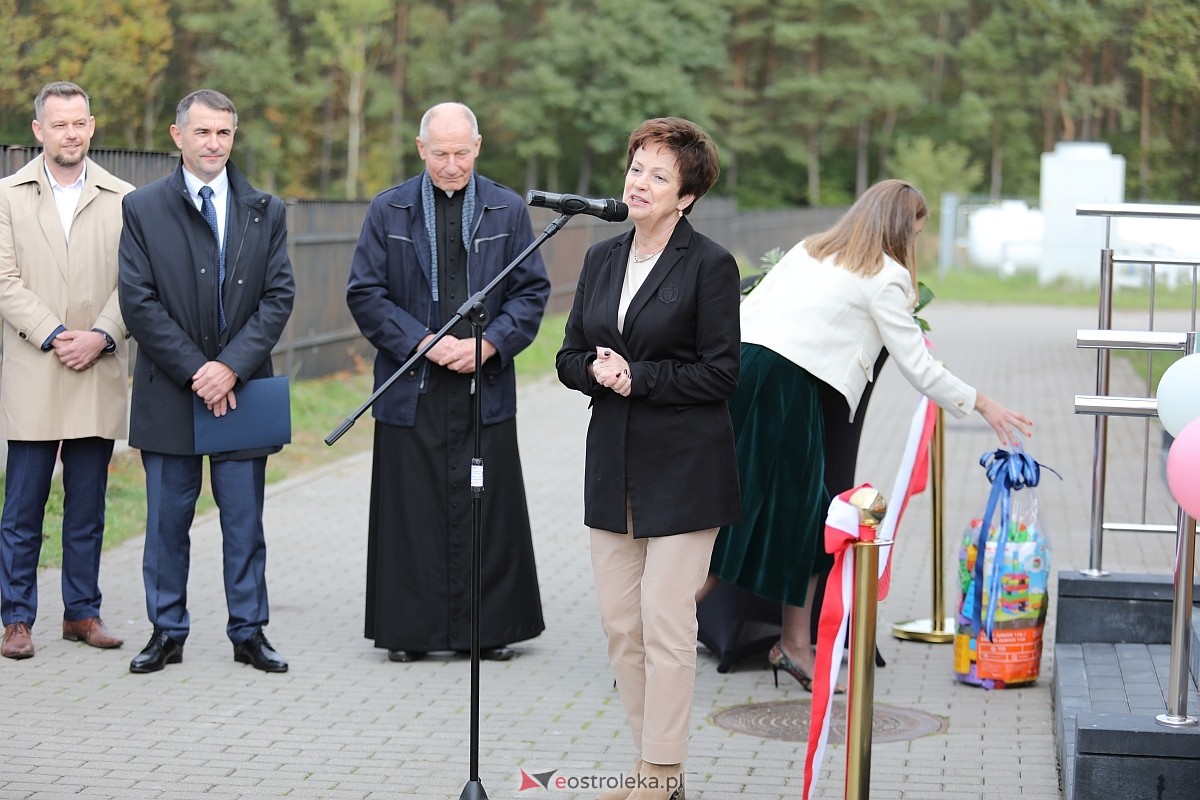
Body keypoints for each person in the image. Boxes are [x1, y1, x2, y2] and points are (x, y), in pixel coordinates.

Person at [707, 179, 1033, 691]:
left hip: (744, 373)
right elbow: (918, 367)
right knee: (748, 522)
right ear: (901, 229)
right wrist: (984, 403)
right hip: (784, 388)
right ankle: (655, 634)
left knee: (778, 515)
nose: (917, 242)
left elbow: (745, 313)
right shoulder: (887, 277)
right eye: (917, 232)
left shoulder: (810, 249)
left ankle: (790, 644)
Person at [556, 117, 741, 800]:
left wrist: (641, 377)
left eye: (659, 176)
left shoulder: (710, 265)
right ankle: (649, 766)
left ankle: (661, 775)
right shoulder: (602, 258)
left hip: (686, 469)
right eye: (637, 168)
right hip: (614, 465)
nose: (640, 183)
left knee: (666, 622)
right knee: (621, 627)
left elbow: (722, 373)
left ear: (686, 196)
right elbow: (567, 354)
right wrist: (593, 371)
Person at [346, 101, 547, 663]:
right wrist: (421, 342)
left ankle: (490, 630)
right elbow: (365, 293)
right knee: (410, 511)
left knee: (488, 510)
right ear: (421, 149)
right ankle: (410, 632)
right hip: (412, 383)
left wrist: (489, 344)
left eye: (462, 153)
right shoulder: (388, 208)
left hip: (484, 382)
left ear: (477, 147)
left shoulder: (507, 209)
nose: (452, 165)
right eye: (440, 154)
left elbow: (531, 292)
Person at [117, 89, 296, 674]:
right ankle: (166, 633)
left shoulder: (266, 209)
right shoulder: (142, 208)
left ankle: (249, 632)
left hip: (242, 392)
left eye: (223, 133)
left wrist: (230, 367)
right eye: (202, 132)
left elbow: (278, 297)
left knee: (244, 524)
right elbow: (138, 301)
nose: (214, 143)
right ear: (178, 136)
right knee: (166, 524)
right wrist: (199, 370)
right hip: (171, 390)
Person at [0, 81, 133, 660]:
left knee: (87, 505)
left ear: (92, 125)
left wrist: (101, 335)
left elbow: (136, 283)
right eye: (59, 124)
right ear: (39, 130)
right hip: (35, 367)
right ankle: (16, 619)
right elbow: (4, 281)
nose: (71, 134)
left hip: (96, 368)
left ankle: (82, 612)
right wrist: (55, 335)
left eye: (79, 123)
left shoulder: (125, 199)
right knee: (22, 507)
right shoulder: (7, 196)